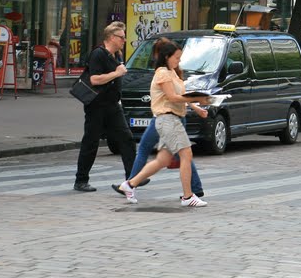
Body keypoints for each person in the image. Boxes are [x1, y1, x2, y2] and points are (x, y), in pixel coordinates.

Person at [115, 38, 211, 207]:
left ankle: (130, 184)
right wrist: (198, 98)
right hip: (168, 119)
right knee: (186, 154)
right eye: (176, 58)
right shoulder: (163, 73)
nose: (178, 61)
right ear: (167, 56)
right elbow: (173, 97)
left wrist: (195, 105)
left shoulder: (171, 71)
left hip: (170, 119)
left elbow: (181, 95)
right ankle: (188, 196)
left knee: (163, 160)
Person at [73, 22, 136, 192]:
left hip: (113, 105)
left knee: (127, 139)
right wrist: (117, 73)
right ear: (112, 38)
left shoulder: (117, 55)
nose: (124, 40)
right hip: (97, 105)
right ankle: (81, 180)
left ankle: (132, 179)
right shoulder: (98, 54)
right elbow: (94, 80)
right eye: (122, 37)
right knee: (91, 141)